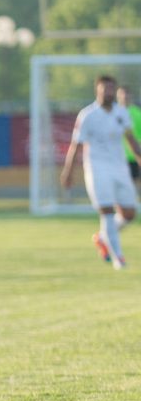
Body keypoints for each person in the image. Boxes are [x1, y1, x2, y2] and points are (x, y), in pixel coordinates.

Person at [61, 75, 141, 270]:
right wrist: (68, 171)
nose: (108, 92)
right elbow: (76, 145)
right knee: (106, 211)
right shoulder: (87, 115)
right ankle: (118, 259)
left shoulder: (121, 113)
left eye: (111, 88)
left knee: (130, 213)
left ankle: (103, 238)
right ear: (97, 90)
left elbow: (131, 140)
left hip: (120, 168)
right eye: (104, 89)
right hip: (97, 169)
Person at [117, 84, 141, 190]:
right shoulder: (113, 112)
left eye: (127, 94)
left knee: (136, 183)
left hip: (135, 156)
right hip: (118, 156)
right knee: (122, 186)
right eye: (122, 94)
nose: (124, 96)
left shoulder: (137, 113)